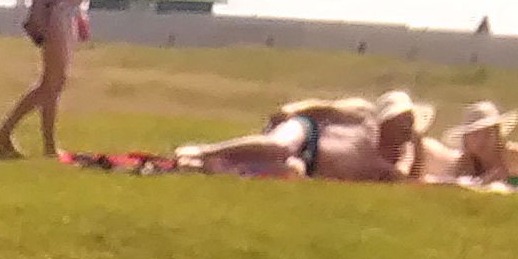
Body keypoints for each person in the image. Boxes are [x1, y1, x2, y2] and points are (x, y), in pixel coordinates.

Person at [178, 91, 431, 181]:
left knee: (291, 172)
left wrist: (417, 143)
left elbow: (408, 181)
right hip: (309, 131)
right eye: (399, 121)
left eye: (407, 123)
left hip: (309, 165)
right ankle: (205, 150)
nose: (403, 128)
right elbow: (322, 106)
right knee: (281, 147)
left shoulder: (392, 158)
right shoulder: (362, 114)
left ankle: (204, 166)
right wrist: (292, 110)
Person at [0, 0, 85, 162]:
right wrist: (37, 15)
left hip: (67, 10)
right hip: (57, 12)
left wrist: (78, 14)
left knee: (54, 83)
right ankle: (7, 132)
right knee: (52, 82)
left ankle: (46, 144)